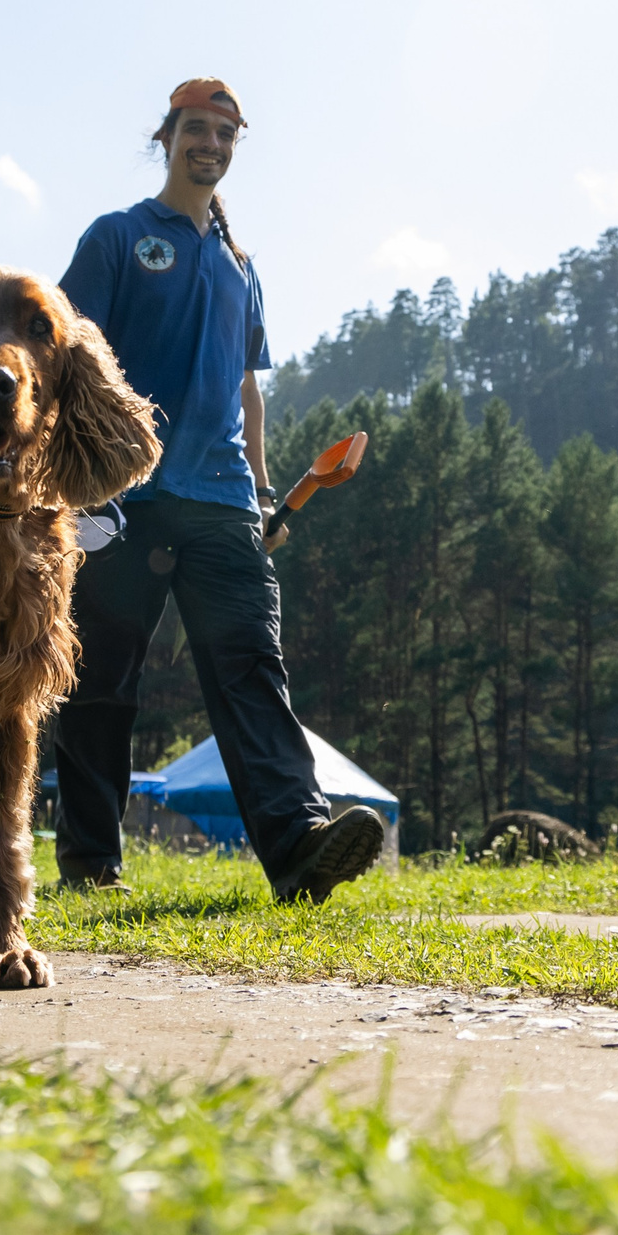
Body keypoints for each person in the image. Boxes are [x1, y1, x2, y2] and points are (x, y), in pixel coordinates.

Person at [54, 77, 385, 903]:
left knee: (252, 669)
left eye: (224, 132)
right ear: (165, 137)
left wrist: (268, 495)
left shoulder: (241, 265)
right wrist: (75, 487)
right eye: (195, 128)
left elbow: (246, 390)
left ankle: (300, 846)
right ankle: (92, 860)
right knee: (102, 678)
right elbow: (63, 363)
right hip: (122, 498)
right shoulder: (119, 238)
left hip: (225, 502)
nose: (210, 142)